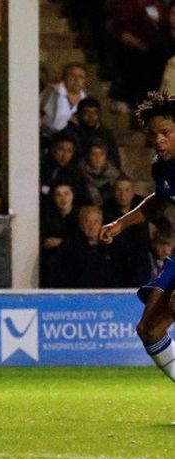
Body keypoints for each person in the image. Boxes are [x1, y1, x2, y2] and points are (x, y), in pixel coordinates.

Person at [99, 90, 175, 383]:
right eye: (154, 134)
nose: (159, 140)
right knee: (149, 329)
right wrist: (121, 222)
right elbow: (161, 200)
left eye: (166, 133)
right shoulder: (162, 166)